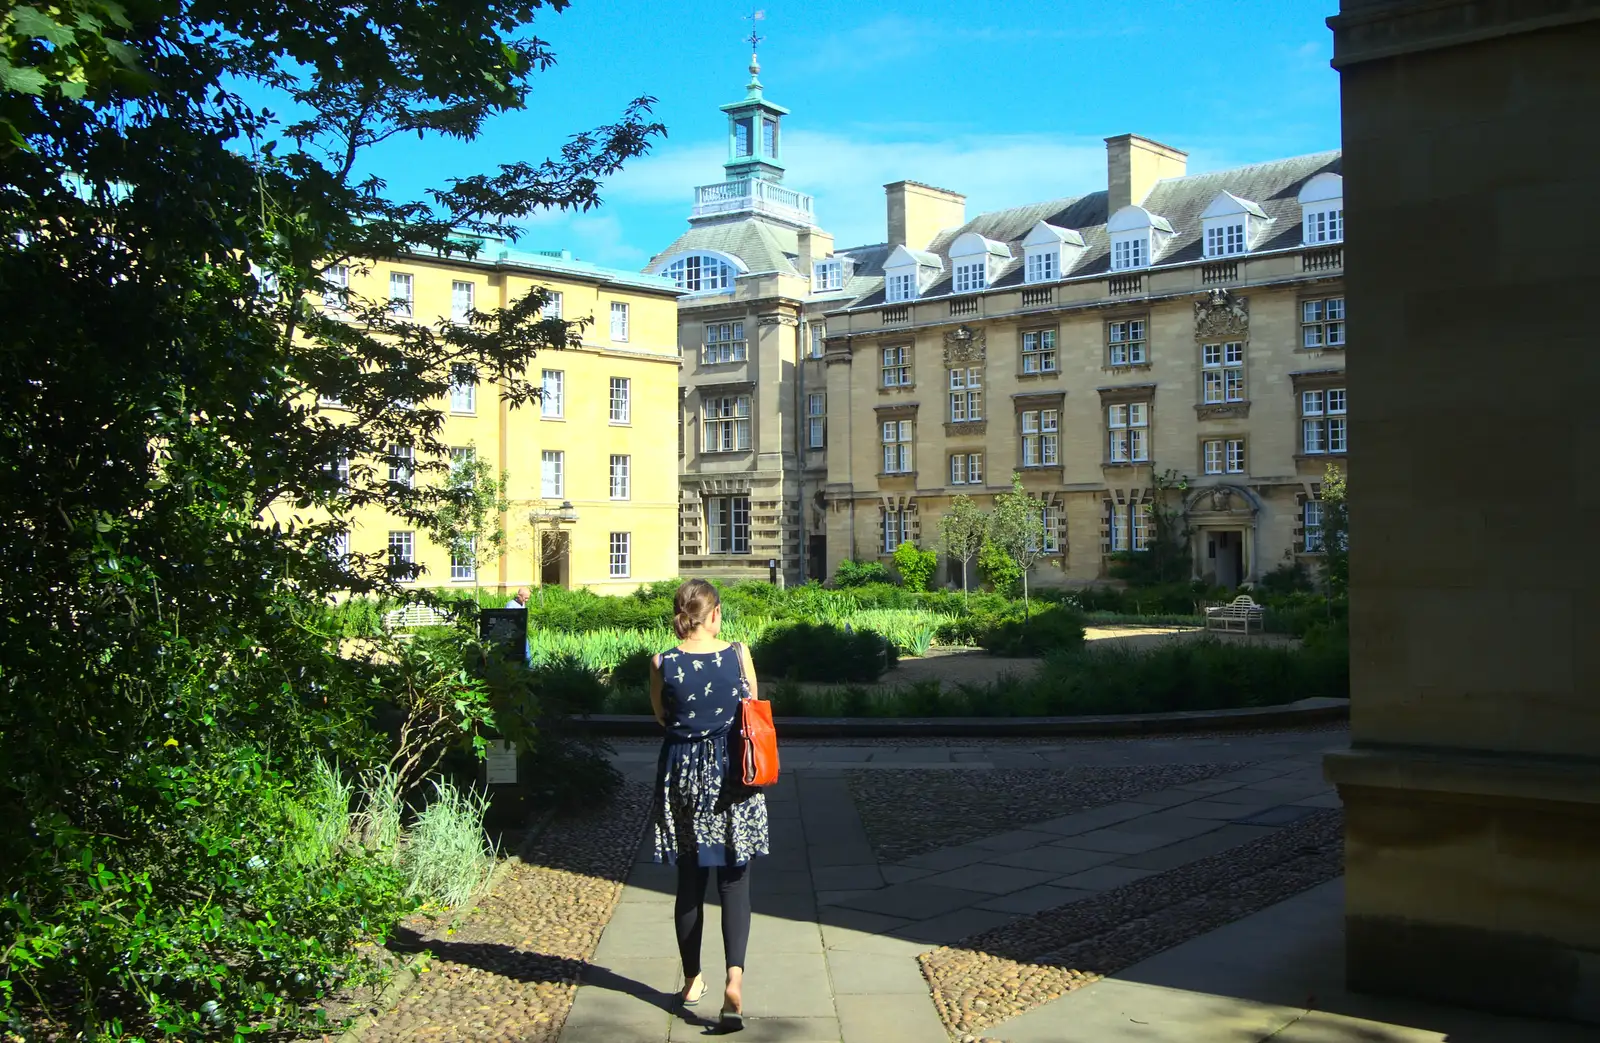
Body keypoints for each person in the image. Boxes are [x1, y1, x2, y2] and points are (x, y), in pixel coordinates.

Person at [648, 579, 768, 1030]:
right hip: (734, 774)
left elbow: (662, 716)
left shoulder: (663, 662)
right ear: (714, 614)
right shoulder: (738, 654)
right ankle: (733, 981)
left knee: (690, 881)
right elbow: (751, 706)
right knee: (735, 882)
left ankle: (693, 978)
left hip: (683, 778)